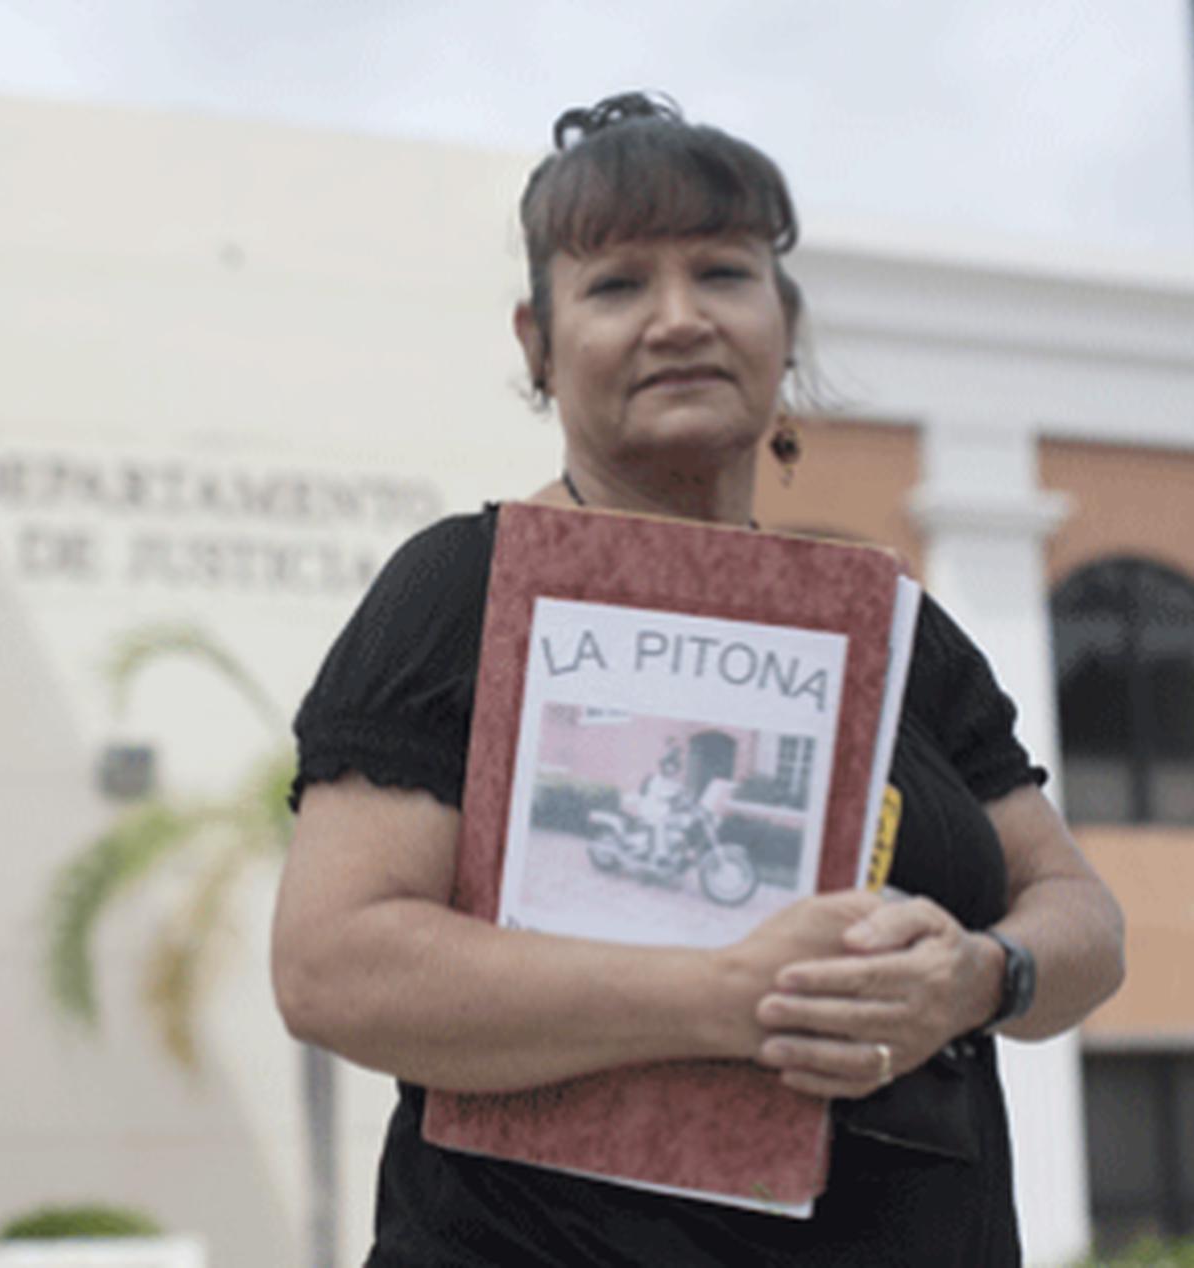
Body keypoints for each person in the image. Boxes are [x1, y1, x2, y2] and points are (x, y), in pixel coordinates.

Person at [272, 91, 1126, 1266]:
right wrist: (730, 995)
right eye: (617, 284)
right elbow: (333, 966)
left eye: (722, 273)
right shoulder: (461, 590)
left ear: (784, 321)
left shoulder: (893, 628)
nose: (677, 319)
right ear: (536, 340)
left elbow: (1079, 914)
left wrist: (984, 973)